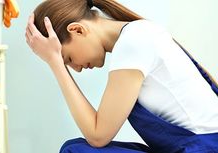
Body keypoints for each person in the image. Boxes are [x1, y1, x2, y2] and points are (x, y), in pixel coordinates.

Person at [25, 0, 218, 152]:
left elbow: (97, 135)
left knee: (76, 151)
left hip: (205, 148)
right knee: (73, 147)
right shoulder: (139, 33)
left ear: (77, 30)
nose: (75, 68)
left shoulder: (133, 42)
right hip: (197, 146)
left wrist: (55, 63)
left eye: (68, 58)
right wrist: (57, 60)